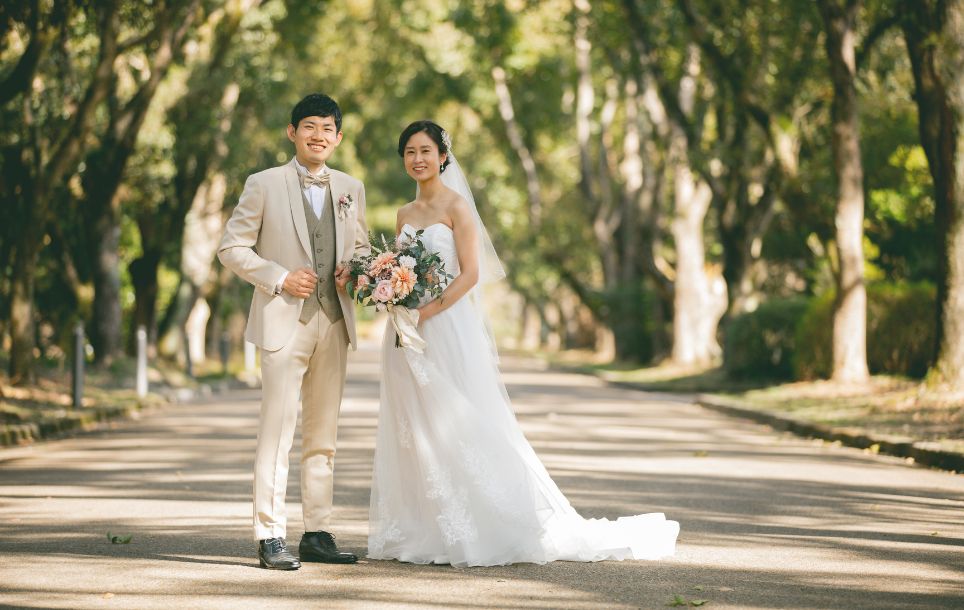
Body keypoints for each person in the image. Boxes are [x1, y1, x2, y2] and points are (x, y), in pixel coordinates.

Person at [367, 120, 679, 567]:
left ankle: (485, 524)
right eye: (410, 152)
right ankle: (427, 528)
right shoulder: (402, 215)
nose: (418, 159)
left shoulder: (457, 207)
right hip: (404, 332)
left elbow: (471, 273)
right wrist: (394, 299)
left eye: (426, 151)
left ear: (443, 156)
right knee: (415, 425)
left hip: (445, 325)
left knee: (461, 417)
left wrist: (425, 311)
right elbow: (400, 268)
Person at [218, 93, 369, 570]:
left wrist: (354, 270)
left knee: (323, 435)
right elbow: (231, 248)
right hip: (284, 321)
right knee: (277, 432)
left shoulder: (351, 187)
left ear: (338, 137)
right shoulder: (262, 183)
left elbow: (361, 245)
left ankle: (318, 532)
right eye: (309, 126)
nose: (318, 135)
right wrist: (280, 277)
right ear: (292, 132)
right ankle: (270, 534)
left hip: (335, 320)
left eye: (327, 128)